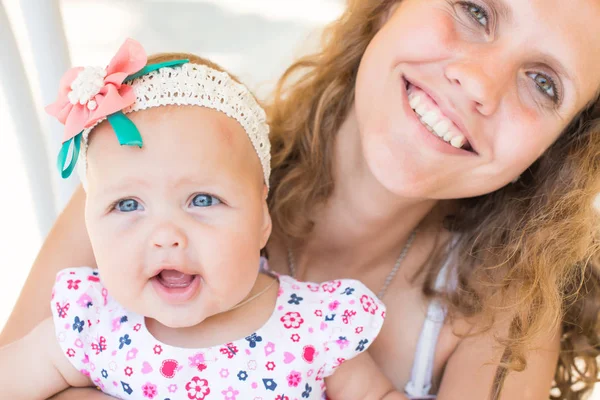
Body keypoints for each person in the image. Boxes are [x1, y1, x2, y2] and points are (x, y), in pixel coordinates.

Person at [2, 0, 600, 398]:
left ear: (560, 145)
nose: (478, 81)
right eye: (474, 8)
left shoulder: (499, 315)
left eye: (544, 82)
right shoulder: (157, 182)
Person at [0, 39, 404, 400]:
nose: (166, 236)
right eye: (127, 205)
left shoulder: (314, 325)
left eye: (202, 199)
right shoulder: (90, 327)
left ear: (262, 216)